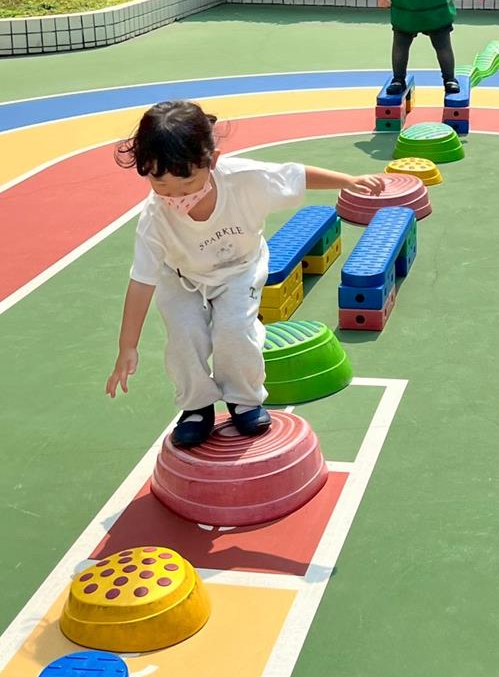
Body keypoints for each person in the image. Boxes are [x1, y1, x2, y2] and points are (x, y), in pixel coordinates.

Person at [105, 100, 384, 448]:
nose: (175, 196)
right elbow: (142, 281)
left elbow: (295, 175)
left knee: (234, 331)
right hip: (180, 277)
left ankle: (244, 399)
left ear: (212, 160)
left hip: (239, 269)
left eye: (186, 182)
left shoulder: (244, 179)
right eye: (159, 183)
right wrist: (127, 346)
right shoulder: (154, 218)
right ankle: (196, 406)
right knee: (184, 337)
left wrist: (349, 180)